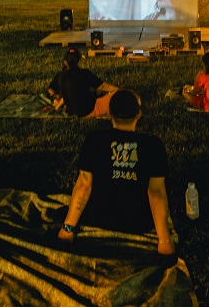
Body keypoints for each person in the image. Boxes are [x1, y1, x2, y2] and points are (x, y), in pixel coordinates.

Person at [57, 89, 174, 256]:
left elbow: (84, 186)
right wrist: (164, 241)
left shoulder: (94, 140)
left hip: (98, 218)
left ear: (109, 113)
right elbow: (156, 193)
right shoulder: (153, 146)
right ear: (138, 114)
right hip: (139, 222)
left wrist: (67, 229)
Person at [47, 47, 118, 118]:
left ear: (65, 62)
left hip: (71, 110)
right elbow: (103, 86)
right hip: (88, 110)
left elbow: (50, 90)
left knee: (96, 92)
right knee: (116, 96)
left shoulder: (60, 75)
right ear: (79, 61)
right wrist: (119, 90)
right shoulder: (85, 73)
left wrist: (57, 97)